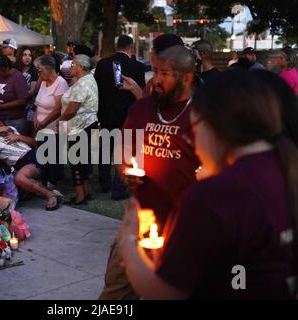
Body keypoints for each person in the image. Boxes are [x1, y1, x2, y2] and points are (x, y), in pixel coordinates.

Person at [120, 69, 298, 299]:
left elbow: (163, 292)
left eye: (192, 131)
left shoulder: (217, 194)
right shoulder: (284, 168)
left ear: (213, 123)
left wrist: (129, 237)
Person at [99, 46, 200, 300]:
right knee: (116, 291)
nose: (155, 79)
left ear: (186, 77)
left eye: (164, 73)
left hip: (184, 226)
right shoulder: (142, 108)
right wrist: (125, 170)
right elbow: (123, 149)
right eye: (154, 71)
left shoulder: (204, 113)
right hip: (140, 219)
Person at [95, 35, 145, 199]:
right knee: (123, 153)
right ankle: (118, 188)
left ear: (117, 46)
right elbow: (141, 93)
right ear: (131, 48)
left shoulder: (102, 64)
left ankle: (104, 182)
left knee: (105, 150)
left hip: (106, 114)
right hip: (127, 116)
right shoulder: (137, 66)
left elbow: (97, 92)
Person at [0, 122, 61, 211]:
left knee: (19, 178)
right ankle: (42, 190)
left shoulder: (10, 130)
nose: (0, 126)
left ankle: (50, 195)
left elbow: (33, 143)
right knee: (19, 179)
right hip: (21, 164)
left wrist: (19, 137)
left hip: (31, 157)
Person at [58, 54, 99, 205]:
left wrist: (60, 121)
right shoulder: (87, 79)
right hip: (87, 125)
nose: (71, 67)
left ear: (81, 67)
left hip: (80, 127)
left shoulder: (83, 83)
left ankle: (80, 196)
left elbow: (72, 109)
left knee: (76, 162)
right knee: (82, 161)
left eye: (73, 64)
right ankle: (84, 192)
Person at [34, 55, 69, 186]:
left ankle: (53, 182)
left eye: (39, 70)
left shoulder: (60, 83)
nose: (38, 73)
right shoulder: (43, 82)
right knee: (43, 157)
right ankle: (44, 180)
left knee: (52, 158)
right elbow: (38, 102)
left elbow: (58, 109)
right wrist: (36, 117)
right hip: (41, 127)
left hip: (53, 127)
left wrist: (44, 122)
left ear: (49, 68)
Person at [0, 54, 29, 135]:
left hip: (14, 120)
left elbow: (22, 100)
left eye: (0, 70)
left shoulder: (18, 77)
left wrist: (1, 106)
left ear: (7, 67)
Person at [16, 46, 40, 135]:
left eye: (29, 55)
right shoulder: (16, 70)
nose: (27, 57)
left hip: (29, 105)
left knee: (29, 130)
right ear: (19, 56)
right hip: (16, 106)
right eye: (24, 55)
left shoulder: (34, 71)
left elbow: (33, 90)